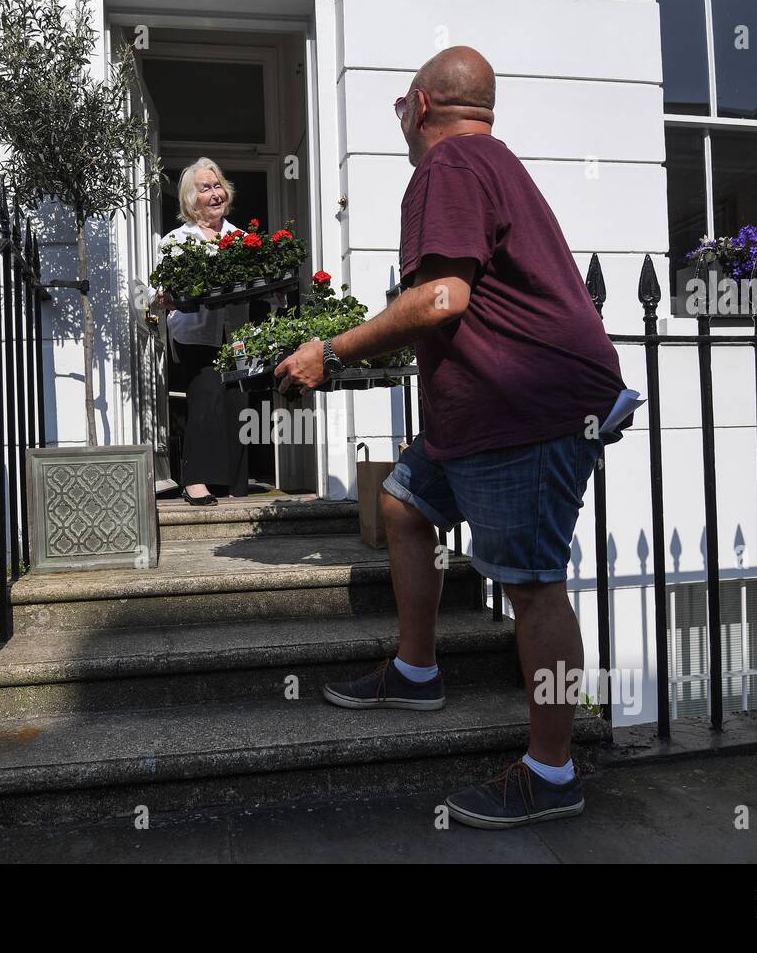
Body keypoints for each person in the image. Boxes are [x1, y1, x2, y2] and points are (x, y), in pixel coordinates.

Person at [274, 46, 629, 829]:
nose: (399, 117)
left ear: (422, 105)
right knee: (403, 505)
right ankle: (415, 669)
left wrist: (331, 352)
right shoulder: (490, 161)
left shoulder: (448, 167)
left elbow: (441, 298)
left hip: (526, 409)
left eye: (401, 104)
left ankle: (552, 771)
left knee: (534, 585)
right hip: (478, 412)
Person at [154, 157, 251, 505]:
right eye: (205, 188)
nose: (215, 193)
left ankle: (233, 484)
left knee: (237, 401)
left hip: (234, 334)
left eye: (217, 186)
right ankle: (195, 480)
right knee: (206, 398)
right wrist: (166, 298)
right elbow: (161, 291)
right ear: (190, 200)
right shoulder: (177, 240)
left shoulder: (240, 238)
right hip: (195, 334)